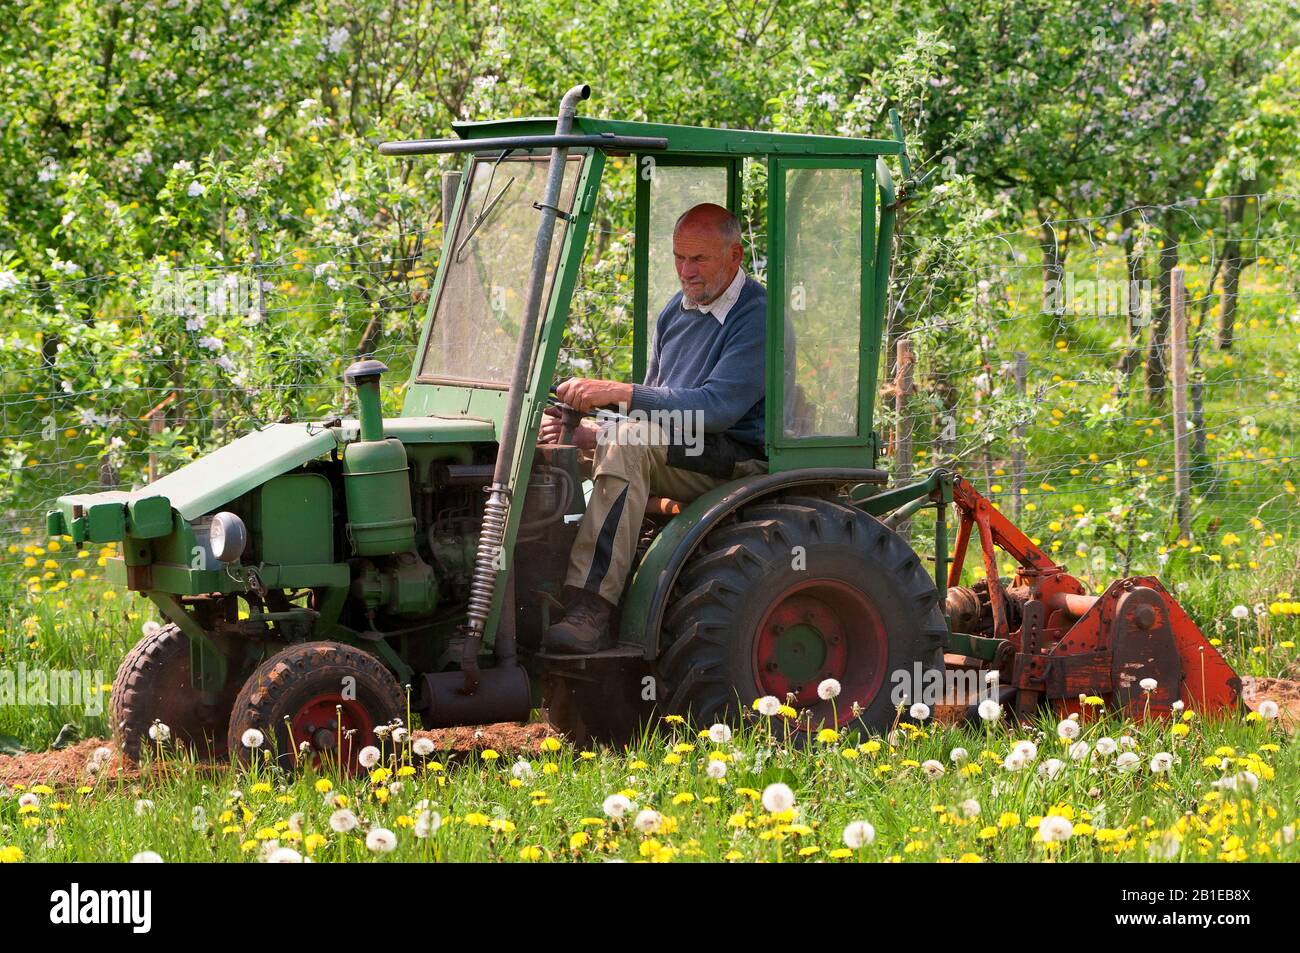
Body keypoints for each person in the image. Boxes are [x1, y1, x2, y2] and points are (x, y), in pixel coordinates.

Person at [539, 202, 767, 653]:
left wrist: (619, 394)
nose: (686, 270)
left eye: (699, 259)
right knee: (552, 441)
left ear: (735, 256)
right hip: (678, 448)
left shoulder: (757, 317)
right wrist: (590, 432)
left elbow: (715, 410)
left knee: (625, 442)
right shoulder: (675, 312)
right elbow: (653, 408)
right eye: (679, 257)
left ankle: (590, 603)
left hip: (732, 457)